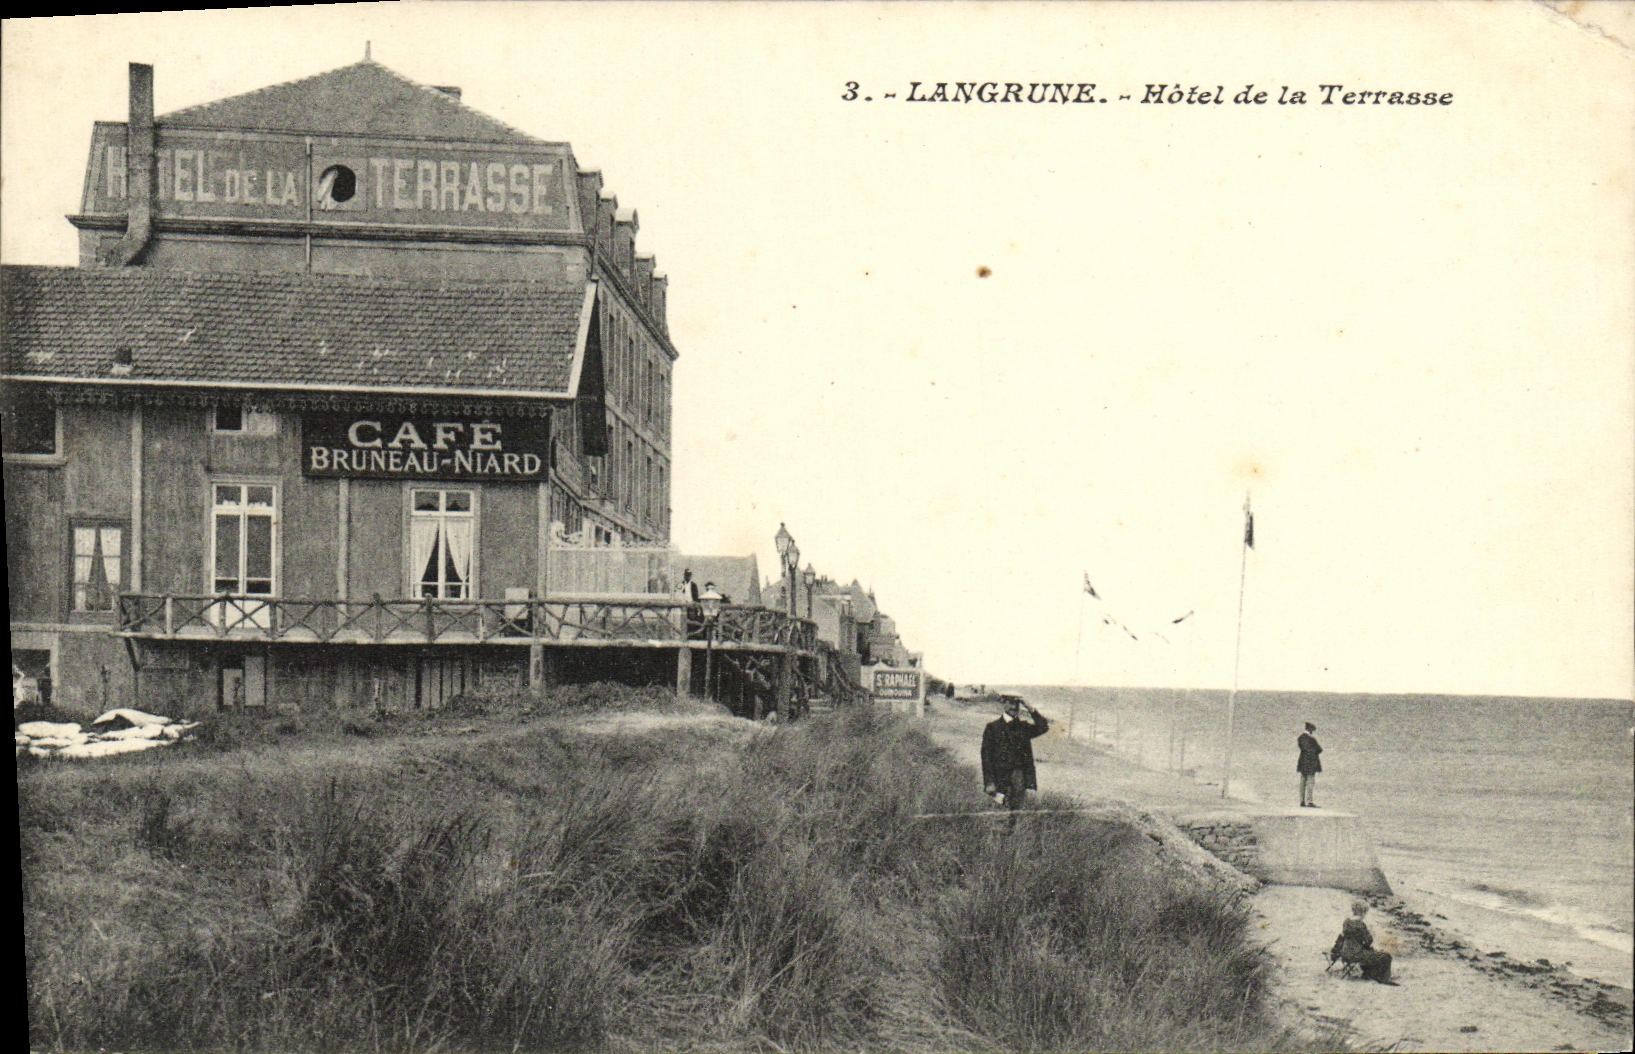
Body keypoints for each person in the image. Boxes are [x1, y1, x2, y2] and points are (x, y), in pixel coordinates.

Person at [980, 694, 1050, 810]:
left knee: (1017, 813)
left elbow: (1043, 727)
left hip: (1019, 780)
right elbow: (986, 757)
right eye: (1011, 703)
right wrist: (989, 782)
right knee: (997, 812)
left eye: (1017, 704)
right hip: (999, 779)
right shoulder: (992, 727)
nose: (1014, 707)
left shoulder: (1023, 727)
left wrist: (1030, 708)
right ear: (1004, 703)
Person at [1331, 900, 1397, 984]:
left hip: (1345, 952)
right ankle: (1383, 979)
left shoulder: (1346, 922)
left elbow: (1343, 936)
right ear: (1363, 912)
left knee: (1371, 953)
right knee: (1386, 956)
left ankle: (1368, 974)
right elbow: (1368, 941)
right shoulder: (1360, 924)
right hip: (1356, 954)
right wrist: (1371, 933)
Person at [1297, 721, 1323, 807]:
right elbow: (1319, 749)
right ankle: (1309, 801)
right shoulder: (1312, 740)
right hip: (1311, 763)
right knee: (1310, 782)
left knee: (1302, 782)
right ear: (1310, 730)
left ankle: (1302, 800)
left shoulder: (1300, 738)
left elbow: (1304, 749)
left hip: (1302, 762)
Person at [677, 568, 702, 639]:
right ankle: (683, 635)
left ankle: (692, 636)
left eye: (689, 575)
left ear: (691, 576)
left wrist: (695, 605)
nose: (687, 577)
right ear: (684, 576)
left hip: (692, 605)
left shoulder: (693, 585)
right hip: (684, 606)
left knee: (692, 620)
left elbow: (696, 597)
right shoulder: (681, 585)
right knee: (683, 620)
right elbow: (678, 594)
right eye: (686, 575)